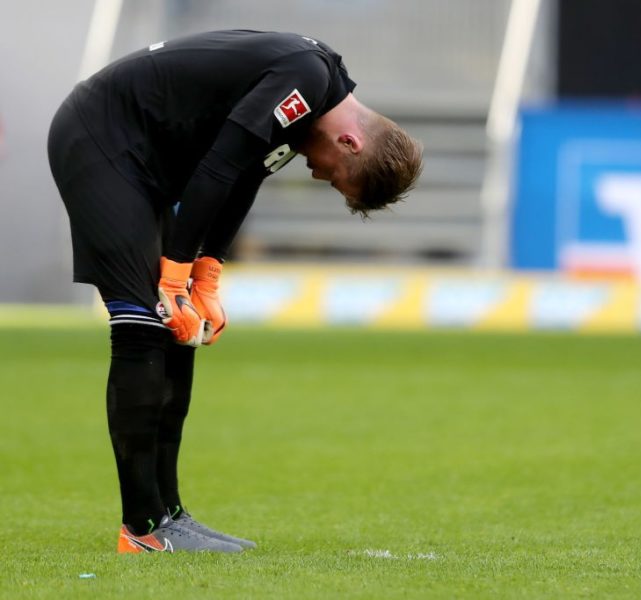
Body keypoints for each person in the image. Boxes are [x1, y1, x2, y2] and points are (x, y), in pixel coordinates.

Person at [47, 30, 423, 553]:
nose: (319, 176)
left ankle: (169, 515)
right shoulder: (306, 81)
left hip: (144, 158)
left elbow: (243, 177)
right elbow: (218, 168)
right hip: (102, 136)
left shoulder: (312, 101)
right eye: (337, 178)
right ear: (350, 143)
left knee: (181, 330)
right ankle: (142, 530)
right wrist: (175, 275)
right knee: (143, 321)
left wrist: (206, 274)